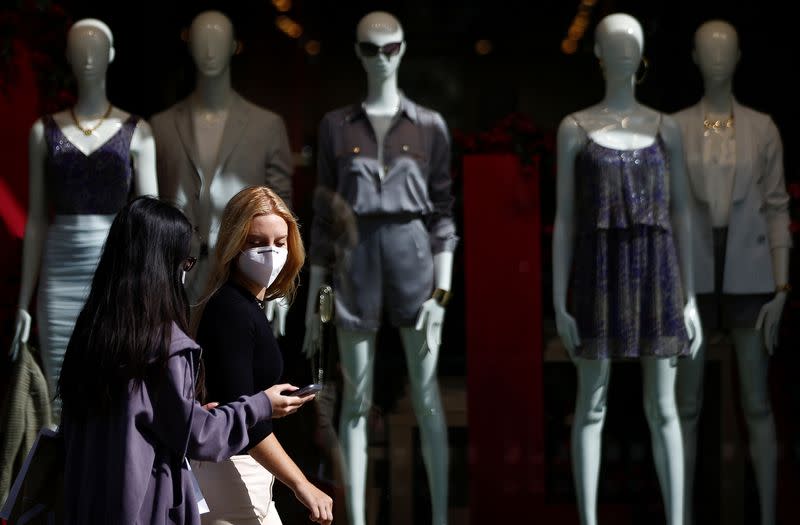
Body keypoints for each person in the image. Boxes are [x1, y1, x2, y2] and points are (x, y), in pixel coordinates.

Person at [57, 196, 307, 525]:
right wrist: (261, 405)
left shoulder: (94, 333)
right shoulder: (163, 344)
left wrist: (187, 412)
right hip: (144, 506)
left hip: (83, 502)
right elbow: (198, 436)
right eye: (185, 262)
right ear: (165, 265)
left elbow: (142, 416)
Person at [302, 10, 458, 525]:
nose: (382, 59)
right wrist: (312, 303)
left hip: (414, 259)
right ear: (357, 52)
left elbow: (442, 216)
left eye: (391, 48)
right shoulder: (335, 126)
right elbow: (323, 220)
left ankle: (439, 515)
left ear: (404, 49)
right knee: (356, 398)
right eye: (372, 49)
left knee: (427, 393)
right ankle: (356, 517)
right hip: (355, 259)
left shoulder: (430, 126)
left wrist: (442, 293)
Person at [551, 13, 702, 525]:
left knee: (664, 408)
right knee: (591, 403)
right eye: (611, 44)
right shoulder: (574, 128)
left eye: (630, 44)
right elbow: (566, 220)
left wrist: (690, 297)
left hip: (658, 271)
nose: (621, 52)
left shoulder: (668, 129)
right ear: (596, 55)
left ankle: (677, 517)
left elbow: (683, 213)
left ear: (642, 57)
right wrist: (559, 301)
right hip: (597, 273)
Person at [9, 18, 159, 423]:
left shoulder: (138, 131)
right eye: (79, 49)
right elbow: (37, 220)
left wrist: (155, 289)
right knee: (59, 396)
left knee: (113, 387)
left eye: (96, 49)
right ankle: (61, 485)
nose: (88, 57)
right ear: (69, 59)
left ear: (111, 56)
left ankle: (109, 482)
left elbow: (149, 221)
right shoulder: (43, 132)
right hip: (59, 270)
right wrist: (24, 301)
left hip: (117, 270)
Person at [672, 20, 790, 525]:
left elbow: (776, 207)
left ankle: (767, 514)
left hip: (749, 269)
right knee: (687, 407)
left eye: (724, 49)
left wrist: (782, 286)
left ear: (739, 56)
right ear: (695, 57)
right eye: (707, 49)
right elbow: (671, 209)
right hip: (693, 272)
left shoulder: (762, 128)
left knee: (757, 402)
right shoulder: (676, 127)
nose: (716, 57)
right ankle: (681, 514)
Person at [192, 185, 333, 525]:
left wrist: (270, 404)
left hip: (245, 478)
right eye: (256, 243)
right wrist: (303, 485)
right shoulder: (232, 310)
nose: (270, 253)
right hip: (231, 478)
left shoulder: (245, 305)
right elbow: (244, 417)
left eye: (279, 243)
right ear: (233, 243)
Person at [151, 10, 293, 334]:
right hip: (174, 281)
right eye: (202, 41)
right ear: (188, 44)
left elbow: (283, 213)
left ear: (233, 46)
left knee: (236, 377)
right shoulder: (159, 127)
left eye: (218, 41)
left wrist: (280, 284)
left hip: (242, 278)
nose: (210, 51)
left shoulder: (267, 126)